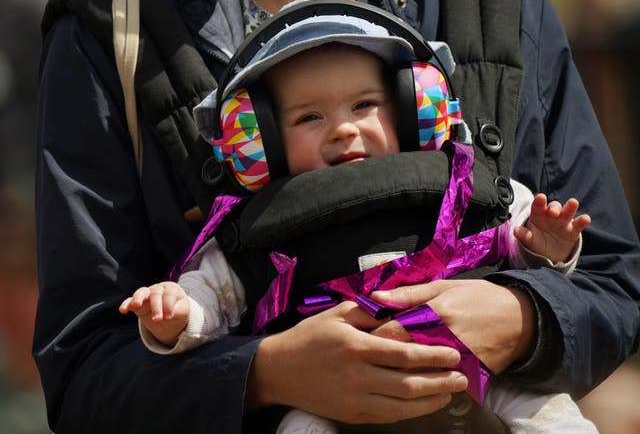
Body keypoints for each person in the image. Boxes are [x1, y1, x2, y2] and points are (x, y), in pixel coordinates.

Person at [34, 0, 640, 433]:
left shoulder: (504, 8)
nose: (344, 131)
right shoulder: (107, 39)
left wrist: (521, 320)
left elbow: (613, 284)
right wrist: (266, 375)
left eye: (364, 106)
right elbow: (84, 372)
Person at [119, 31, 595, 433]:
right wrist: (178, 315)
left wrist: (547, 245)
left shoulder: (455, 181)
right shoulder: (264, 223)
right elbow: (214, 292)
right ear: (262, 140)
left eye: (364, 105)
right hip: (324, 387)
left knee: (549, 412)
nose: (343, 130)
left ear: (412, 107)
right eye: (309, 117)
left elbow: (507, 236)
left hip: (471, 355)